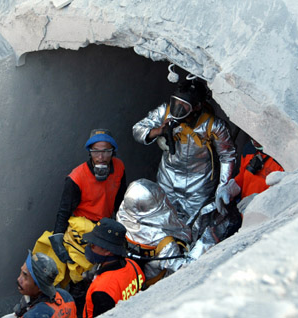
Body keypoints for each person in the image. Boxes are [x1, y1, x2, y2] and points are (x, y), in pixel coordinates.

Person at [133, 79, 237, 260]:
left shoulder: (214, 126)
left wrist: (222, 186)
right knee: (161, 218)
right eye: (175, 103)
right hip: (168, 177)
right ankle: (159, 257)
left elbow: (227, 156)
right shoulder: (165, 112)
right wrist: (159, 131)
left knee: (193, 226)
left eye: (184, 106)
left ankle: (183, 260)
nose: (177, 109)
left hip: (199, 184)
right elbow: (137, 129)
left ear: (196, 107)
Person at [34, 129, 126, 285]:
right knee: (82, 272)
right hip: (82, 230)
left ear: (113, 152)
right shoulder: (76, 178)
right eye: (96, 151)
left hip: (104, 226)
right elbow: (64, 211)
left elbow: (120, 201)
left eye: (106, 151)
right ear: (89, 152)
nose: (101, 157)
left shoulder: (119, 168)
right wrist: (57, 238)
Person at [116, 178, 192, 285]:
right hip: (154, 282)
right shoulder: (164, 241)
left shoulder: (122, 214)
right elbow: (183, 268)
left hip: (131, 276)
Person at [82, 218, 145, 318]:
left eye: (93, 244)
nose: (89, 247)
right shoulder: (133, 265)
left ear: (107, 251)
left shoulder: (102, 290)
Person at [2, 251, 76, 318]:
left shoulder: (34, 315)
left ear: (40, 287)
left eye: (25, 276)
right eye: (21, 272)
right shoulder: (65, 296)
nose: (19, 279)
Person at [233, 139, 284, 212]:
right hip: (246, 215)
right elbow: (242, 175)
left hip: (266, 216)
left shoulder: (283, 161)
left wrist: (260, 199)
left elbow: (283, 193)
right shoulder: (249, 149)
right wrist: (233, 186)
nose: (254, 140)